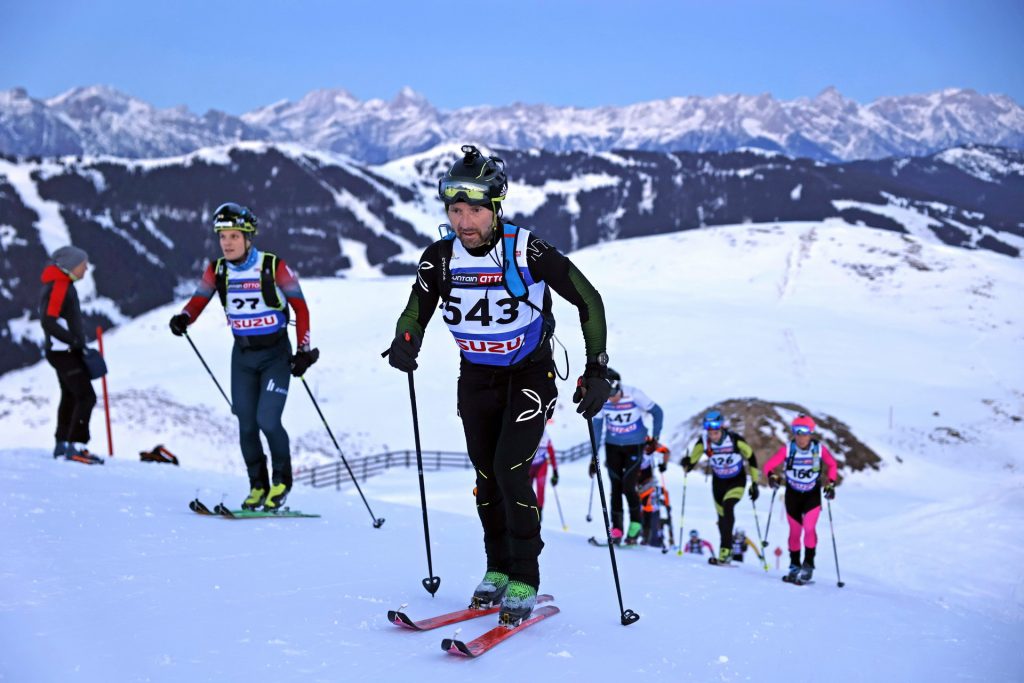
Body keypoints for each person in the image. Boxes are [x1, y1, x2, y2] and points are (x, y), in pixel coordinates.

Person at [386, 144, 611, 626]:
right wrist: (405, 340)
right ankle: (497, 568)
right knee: (486, 475)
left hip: (529, 374)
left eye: (474, 210)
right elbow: (415, 311)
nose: (464, 221)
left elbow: (588, 299)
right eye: (455, 209)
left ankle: (525, 574)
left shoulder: (527, 250)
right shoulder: (440, 258)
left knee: (510, 470)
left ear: (495, 207)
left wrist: (597, 369)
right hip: (476, 376)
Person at [169, 203, 319, 511]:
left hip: (275, 355)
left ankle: (281, 482)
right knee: (246, 424)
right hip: (242, 356)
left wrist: (303, 351)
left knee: (268, 420)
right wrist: (184, 317)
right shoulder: (217, 270)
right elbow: (198, 300)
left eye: (234, 236)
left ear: (248, 237)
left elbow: (300, 308)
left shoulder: (272, 266)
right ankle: (257, 486)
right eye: (222, 236)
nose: (227, 243)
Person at [39, 245, 103, 465]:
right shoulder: (60, 285)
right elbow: (48, 320)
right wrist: (74, 341)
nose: (86, 268)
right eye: (83, 264)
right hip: (64, 353)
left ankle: (63, 444)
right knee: (86, 396)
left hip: (62, 351)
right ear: (71, 266)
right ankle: (75, 446)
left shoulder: (62, 284)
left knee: (71, 395)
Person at [761, 414, 838, 583]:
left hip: (812, 495)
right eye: (797, 432)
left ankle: (808, 564)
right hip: (793, 495)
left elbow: (832, 464)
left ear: (811, 433)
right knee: (795, 532)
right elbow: (768, 466)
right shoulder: (788, 449)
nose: (801, 437)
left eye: (805, 432)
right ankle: (794, 566)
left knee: (809, 528)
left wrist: (831, 483)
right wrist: (772, 477)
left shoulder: (818, 449)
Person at [591, 369, 664, 545]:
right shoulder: (601, 398)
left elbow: (658, 412)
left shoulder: (634, 394)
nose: (612, 400)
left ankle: (635, 525)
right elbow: (597, 427)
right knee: (615, 487)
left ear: (619, 387)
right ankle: (616, 529)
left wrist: (655, 438)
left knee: (628, 486)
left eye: (614, 395)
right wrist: (594, 457)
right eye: (608, 396)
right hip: (613, 446)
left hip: (635, 445)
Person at [680, 410, 759, 564]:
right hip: (718, 483)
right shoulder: (703, 442)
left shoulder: (734, 440)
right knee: (722, 520)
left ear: (722, 427)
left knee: (728, 506)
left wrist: (755, 483)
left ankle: (725, 551)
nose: (713, 436)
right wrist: (686, 463)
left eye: (716, 432)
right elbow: (691, 462)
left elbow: (751, 457)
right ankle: (725, 551)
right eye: (710, 433)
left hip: (737, 480)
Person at [529, 427, 559, 521]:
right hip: (529, 466)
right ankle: (527, 509)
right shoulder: (527, 434)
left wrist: (555, 472)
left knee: (541, 488)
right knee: (527, 488)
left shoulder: (546, 437)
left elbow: (552, 455)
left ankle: (539, 511)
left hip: (541, 465)